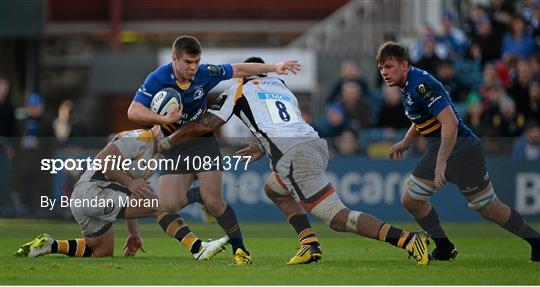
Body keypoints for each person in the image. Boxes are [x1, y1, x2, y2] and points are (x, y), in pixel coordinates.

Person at [158, 56, 431, 266]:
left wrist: (169, 140)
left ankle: (407, 240)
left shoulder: (238, 90)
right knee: (273, 188)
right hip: (313, 144)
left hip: (294, 156)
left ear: (244, 73)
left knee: (338, 218)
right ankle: (309, 243)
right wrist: (262, 146)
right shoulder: (280, 85)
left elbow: (206, 124)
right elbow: (280, 122)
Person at [127, 35, 300, 265]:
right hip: (173, 145)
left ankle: (240, 250)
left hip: (202, 140)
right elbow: (133, 111)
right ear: (174, 58)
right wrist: (161, 118)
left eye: (196, 61)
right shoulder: (158, 78)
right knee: (169, 204)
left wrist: (275, 67)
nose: (193, 67)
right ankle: (197, 196)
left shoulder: (205, 73)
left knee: (215, 202)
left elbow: (238, 69)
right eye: (188, 62)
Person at [377, 41, 540, 262]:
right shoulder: (408, 85)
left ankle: (536, 240)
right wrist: (406, 142)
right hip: (440, 148)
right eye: (381, 68)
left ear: (404, 65)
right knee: (411, 199)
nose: (384, 72)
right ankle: (444, 247)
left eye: (388, 66)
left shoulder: (420, 85)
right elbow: (422, 118)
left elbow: (450, 123)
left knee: (488, 207)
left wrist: (442, 162)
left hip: (462, 149)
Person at [15, 126, 228, 259]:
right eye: (170, 133)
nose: (172, 140)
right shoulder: (140, 138)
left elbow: (133, 194)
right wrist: (130, 182)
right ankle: (198, 247)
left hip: (86, 199)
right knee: (160, 203)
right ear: (156, 127)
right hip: (93, 192)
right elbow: (104, 161)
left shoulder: (151, 160)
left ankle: (50, 245)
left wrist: (133, 233)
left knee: (101, 250)